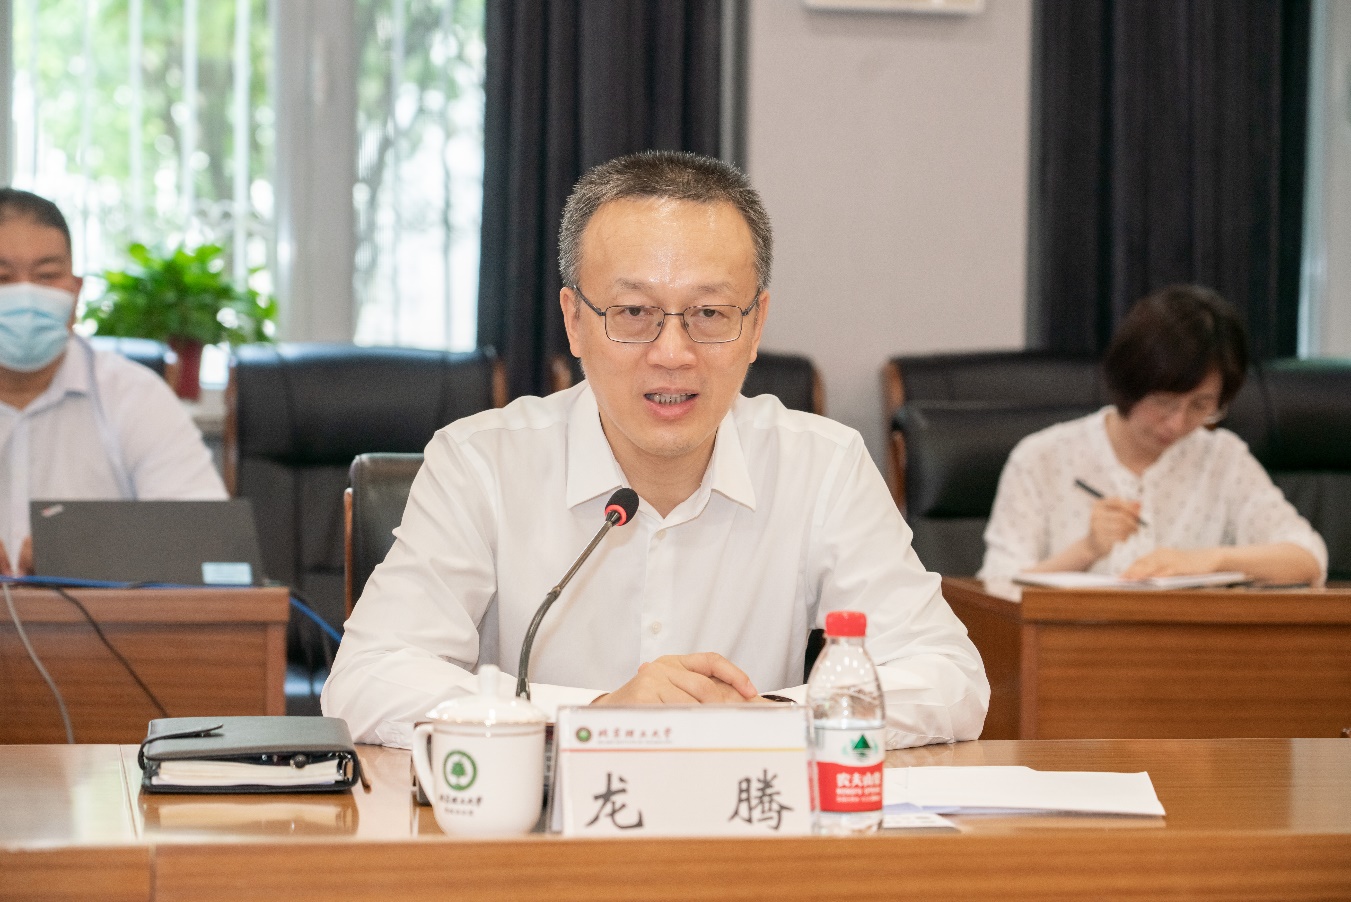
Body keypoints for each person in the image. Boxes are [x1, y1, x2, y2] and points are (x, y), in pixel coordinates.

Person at [323, 151, 988, 749]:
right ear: (574, 321)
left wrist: (766, 718)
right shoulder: (481, 465)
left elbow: (949, 678)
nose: (673, 354)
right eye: (634, 313)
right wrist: (595, 717)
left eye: (709, 314)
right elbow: (367, 681)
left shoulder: (822, 466)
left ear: (756, 324)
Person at [979, 284, 1326, 586]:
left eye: (1201, 405)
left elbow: (1308, 557)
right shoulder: (1041, 458)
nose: (1177, 424)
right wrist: (1086, 550)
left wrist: (1210, 560)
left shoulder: (1223, 459)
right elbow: (994, 588)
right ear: (1130, 382)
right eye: (1164, 402)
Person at [0, 188, 226, 576]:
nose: (26, 294)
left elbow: (208, 540)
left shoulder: (134, 395)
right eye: (2, 277)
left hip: (98, 617)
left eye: (47, 276)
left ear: (75, 292)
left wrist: (78, 555)